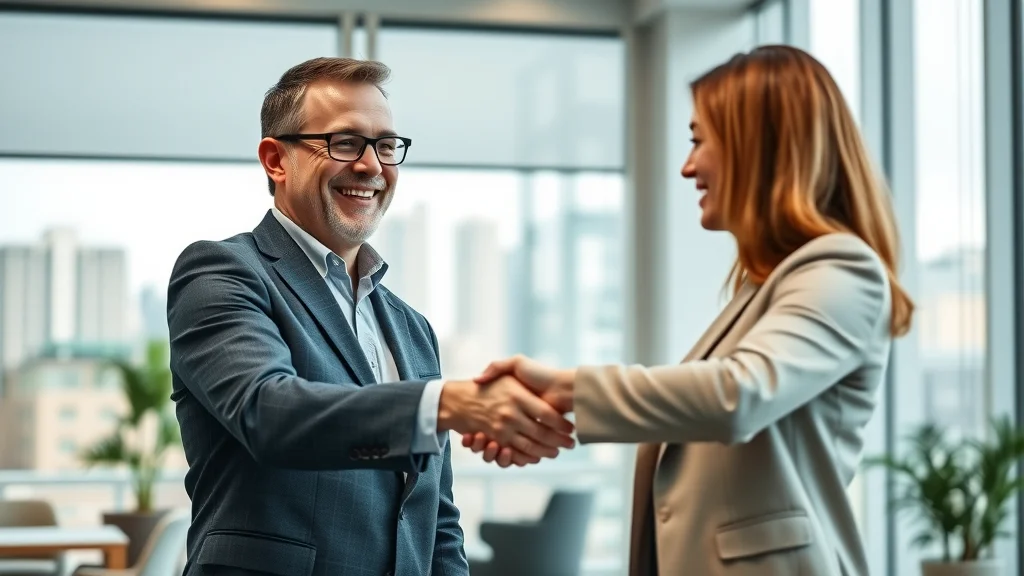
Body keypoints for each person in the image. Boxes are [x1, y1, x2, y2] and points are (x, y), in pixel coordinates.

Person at [464, 45, 914, 576]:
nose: (687, 166)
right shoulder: (764, 288)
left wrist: (569, 389)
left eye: (700, 140)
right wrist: (552, 410)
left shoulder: (841, 270)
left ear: (758, 147)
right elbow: (701, 404)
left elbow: (737, 395)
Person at [166, 57, 574, 576]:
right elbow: (269, 414)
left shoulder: (412, 328)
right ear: (275, 159)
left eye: (386, 145)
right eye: (344, 142)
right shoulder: (223, 272)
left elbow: (437, 522)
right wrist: (448, 402)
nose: (371, 166)